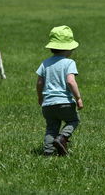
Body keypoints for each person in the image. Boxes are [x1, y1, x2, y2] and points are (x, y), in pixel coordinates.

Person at [36, 25, 83, 156]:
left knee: (51, 128)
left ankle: (48, 152)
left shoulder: (45, 63)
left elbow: (39, 83)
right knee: (73, 121)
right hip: (65, 103)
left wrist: (40, 98)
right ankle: (62, 137)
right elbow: (70, 81)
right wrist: (78, 98)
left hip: (48, 104)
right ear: (68, 49)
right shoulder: (69, 63)